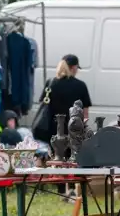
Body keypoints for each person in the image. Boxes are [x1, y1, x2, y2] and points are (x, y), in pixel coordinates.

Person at [39, 54, 92, 196]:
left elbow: (44, 104)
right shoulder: (80, 85)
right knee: (74, 158)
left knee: (58, 158)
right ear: (74, 68)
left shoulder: (51, 83)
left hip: (54, 128)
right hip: (74, 127)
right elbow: (85, 112)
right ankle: (74, 189)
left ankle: (61, 190)